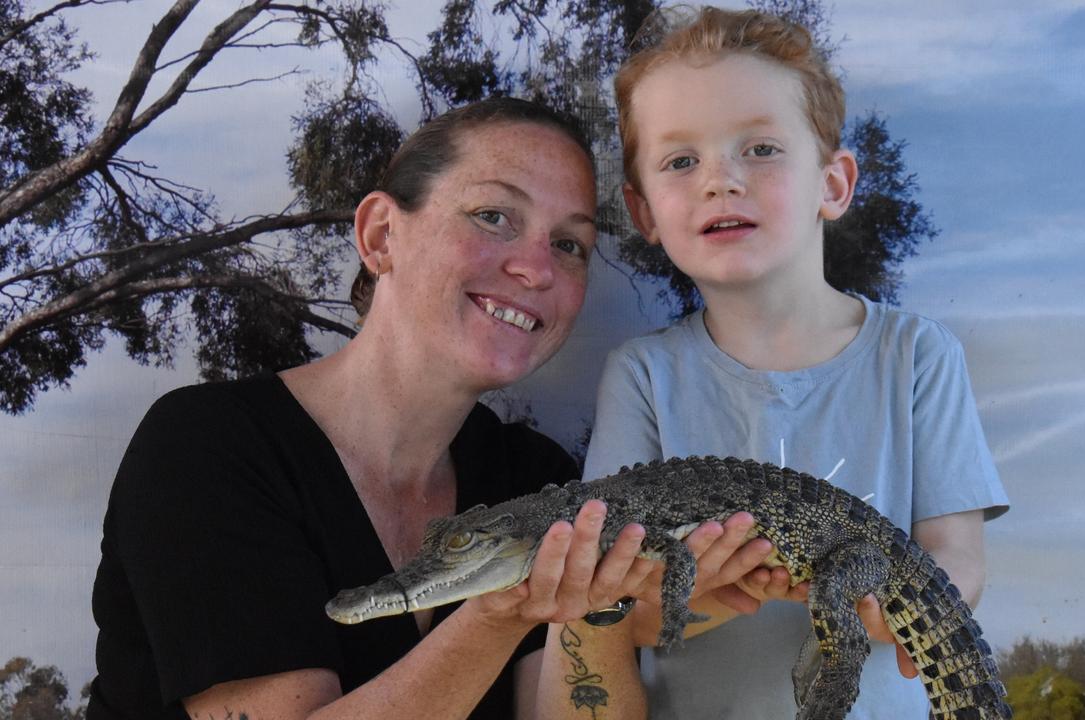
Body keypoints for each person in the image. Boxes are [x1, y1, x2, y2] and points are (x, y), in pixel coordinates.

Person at [85, 96, 771, 720]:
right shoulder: (206, 448)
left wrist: (605, 616)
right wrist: (503, 609)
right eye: (493, 216)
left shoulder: (534, 480)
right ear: (382, 234)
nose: (536, 269)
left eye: (569, 245)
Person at [579, 7, 1011, 719]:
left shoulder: (916, 356)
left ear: (832, 184)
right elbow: (613, 606)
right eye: (680, 161)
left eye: (760, 148)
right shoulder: (641, 376)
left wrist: (887, 603)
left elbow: (958, 558)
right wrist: (707, 594)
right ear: (643, 210)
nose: (719, 180)